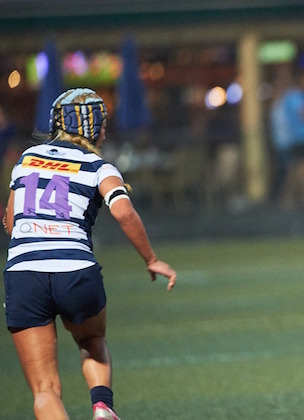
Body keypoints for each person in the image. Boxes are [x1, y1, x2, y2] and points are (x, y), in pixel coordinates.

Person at [3, 88, 177, 420]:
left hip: (24, 273)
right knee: (92, 340)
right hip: (75, 270)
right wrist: (151, 259)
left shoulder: (25, 160)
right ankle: (102, 406)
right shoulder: (99, 166)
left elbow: (11, 225)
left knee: (44, 390)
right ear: (93, 126)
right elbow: (124, 213)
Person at [269, 65, 304, 210]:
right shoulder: (292, 97)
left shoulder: (290, 97)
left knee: (298, 175)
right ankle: (303, 205)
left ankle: (300, 205)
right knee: (299, 176)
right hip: (299, 140)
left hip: (298, 139)